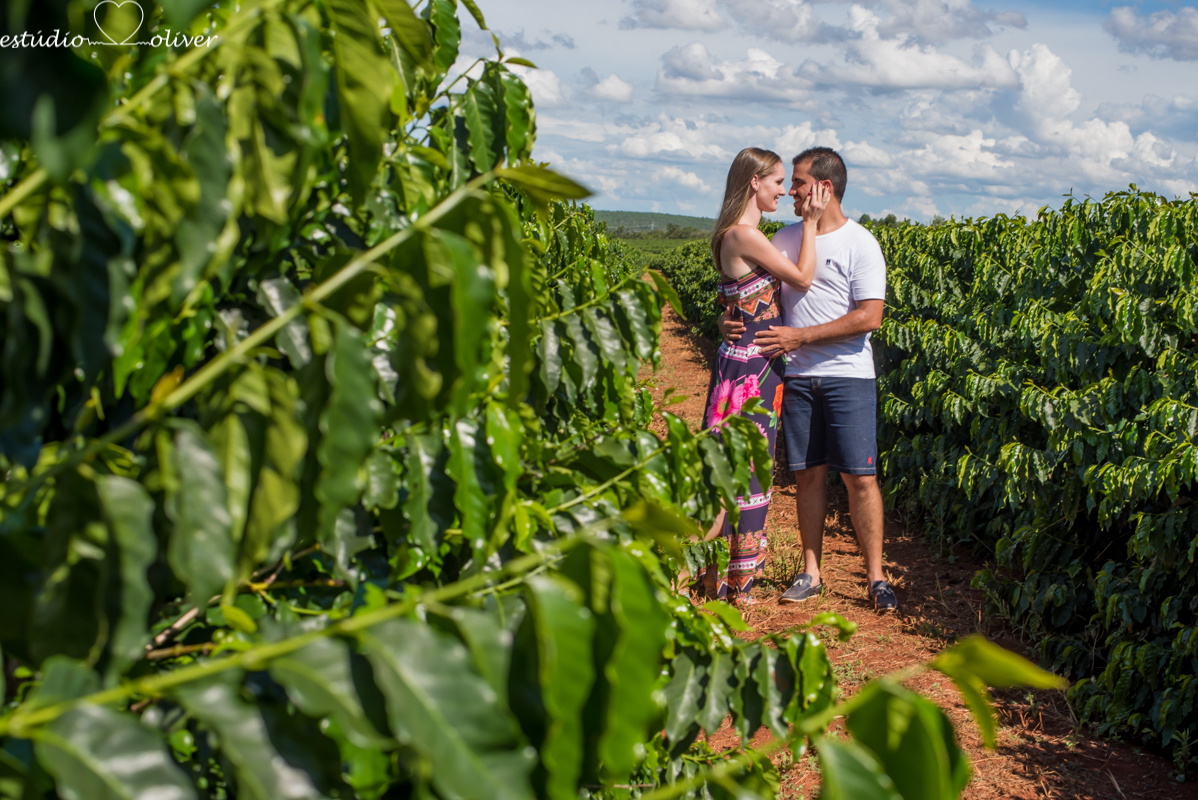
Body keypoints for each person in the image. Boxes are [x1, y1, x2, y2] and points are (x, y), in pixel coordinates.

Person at [719, 146, 899, 613]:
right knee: (808, 476)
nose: (791, 191)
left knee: (861, 478)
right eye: (788, 182)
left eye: (797, 182)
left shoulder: (862, 243)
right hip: (794, 376)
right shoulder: (781, 238)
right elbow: (753, 293)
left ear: (825, 187)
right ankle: (810, 571)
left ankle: (876, 577)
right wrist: (728, 320)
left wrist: (803, 336)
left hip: (847, 375)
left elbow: (871, 317)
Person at [697, 147, 830, 606]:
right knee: (737, 471)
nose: (782, 191)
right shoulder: (744, 234)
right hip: (751, 370)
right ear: (754, 182)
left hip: (750, 363)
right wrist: (811, 224)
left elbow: (733, 300)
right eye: (777, 182)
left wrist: (724, 320)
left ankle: (724, 580)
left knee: (738, 469)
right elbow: (802, 278)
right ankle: (702, 575)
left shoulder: (737, 235)